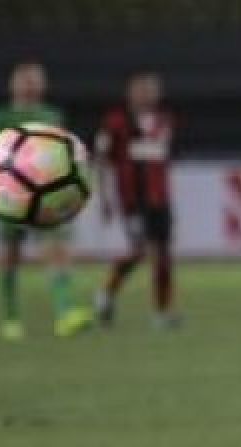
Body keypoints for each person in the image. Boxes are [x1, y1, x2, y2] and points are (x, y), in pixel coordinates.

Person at [0, 62, 92, 341]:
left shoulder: (51, 115)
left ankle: (64, 314)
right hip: (11, 194)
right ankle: (11, 318)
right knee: (10, 256)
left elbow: (66, 154)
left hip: (48, 194)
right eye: (24, 79)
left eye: (35, 80)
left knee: (57, 250)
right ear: (13, 84)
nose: (30, 84)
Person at [93, 72, 179, 329]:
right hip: (133, 200)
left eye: (151, 89)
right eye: (140, 89)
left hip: (160, 200)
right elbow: (101, 159)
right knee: (139, 252)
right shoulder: (115, 122)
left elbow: (161, 159)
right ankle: (106, 293)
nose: (146, 94)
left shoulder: (166, 120)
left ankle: (161, 313)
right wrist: (104, 198)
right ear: (130, 93)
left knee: (163, 256)